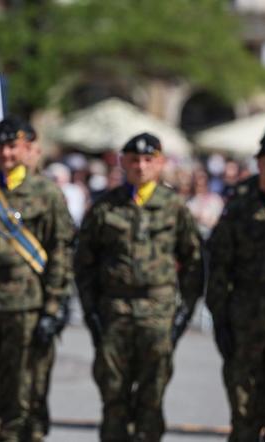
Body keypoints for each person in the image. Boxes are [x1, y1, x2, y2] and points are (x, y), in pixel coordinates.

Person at [74, 132, 204, 442]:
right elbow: (84, 263)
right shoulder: (105, 207)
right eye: (134, 160)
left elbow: (194, 261)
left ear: (160, 163)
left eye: (149, 160)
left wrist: (183, 311)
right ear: (122, 163)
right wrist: (91, 310)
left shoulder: (174, 207)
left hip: (157, 315)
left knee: (152, 397)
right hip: (114, 312)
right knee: (113, 397)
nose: (141, 166)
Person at [0, 117, 74, 441]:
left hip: (28, 309)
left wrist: (53, 307)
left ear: (25, 148)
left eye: (11, 147)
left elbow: (61, 252)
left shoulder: (47, 193)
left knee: (23, 398)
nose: (5, 154)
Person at [206, 119, 265, 442]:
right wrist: (220, 319)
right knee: (245, 419)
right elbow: (219, 267)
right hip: (245, 324)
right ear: (259, 162)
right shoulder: (239, 206)